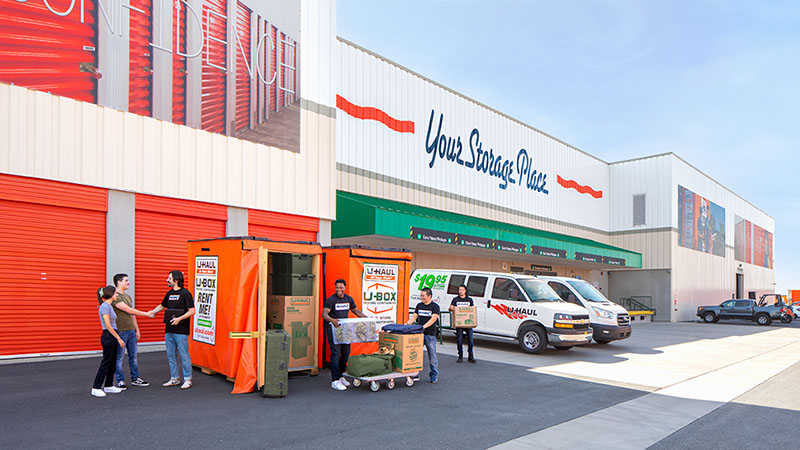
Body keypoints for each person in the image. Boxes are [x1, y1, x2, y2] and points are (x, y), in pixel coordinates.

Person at [149, 270, 195, 390]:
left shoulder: (186, 294)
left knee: (184, 355)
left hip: (181, 331)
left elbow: (192, 311)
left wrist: (179, 319)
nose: (167, 280)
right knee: (171, 355)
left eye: (169, 278)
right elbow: (162, 305)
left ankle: (187, 379)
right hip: (169, 329)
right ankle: (174, 378)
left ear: (176, 280)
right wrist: (153, 311)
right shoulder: (169, 293)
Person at [322, 279, 367, 391]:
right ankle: (335, 380)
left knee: (346, 352)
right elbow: (324, 313)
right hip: (333, 328)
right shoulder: (331, 300)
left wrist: (367, 319)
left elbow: (356, 311)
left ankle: (341, 376)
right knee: (336, 353)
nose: (339, 290)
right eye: (337, 287)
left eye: (341, 288)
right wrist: (332, 320)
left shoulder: (348, 299)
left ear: (345, 288)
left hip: (345, 330)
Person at [111, 273, 154, 390]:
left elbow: (132, 314)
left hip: (131, 331)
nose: (128, 282)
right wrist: (147, 314)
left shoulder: (128, 297)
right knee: (119, 357)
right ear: (119, 282)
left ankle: (135, 378)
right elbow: (128, 309)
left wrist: (137, 329)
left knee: (133, 356)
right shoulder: (116, 297)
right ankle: (120, 380)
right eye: (126, 280)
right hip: (121, 331)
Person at [92, 286, 126, 397]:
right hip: (108, 335)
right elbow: (108, 325)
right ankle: (96, 387)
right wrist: (119, 338)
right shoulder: (105, 306)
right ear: (111, 294)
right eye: (116, 293)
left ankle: (108, 385)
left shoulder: (109, 306)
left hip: (112, 334)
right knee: (106, 362)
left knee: (112, 362)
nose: (117, 295)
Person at [407, 287, 440, 383]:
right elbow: (414, 316)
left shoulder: (435, 307)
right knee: (415, 355)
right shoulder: (419, 305)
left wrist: (423, 327)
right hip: (419, 334)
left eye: (423, 296)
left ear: (429, 296)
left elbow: (433, 319)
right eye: (421, 295)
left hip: (430, 334)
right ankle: (415, 374)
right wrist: (407, 324)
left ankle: (434, 375)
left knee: (432, 355)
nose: (421, 297)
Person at [449, 284, 475, 363]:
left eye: (462, 290)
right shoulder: (455, 299)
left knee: (470, 340)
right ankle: (460, 356)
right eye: (459, 290)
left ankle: (471, 356)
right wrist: (452, 308)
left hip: (468, 323)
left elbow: (472, 310)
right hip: (459, 323)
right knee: (459, 340)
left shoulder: (469, 300)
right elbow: (450, 307)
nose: (461, 291)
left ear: (465, 291)